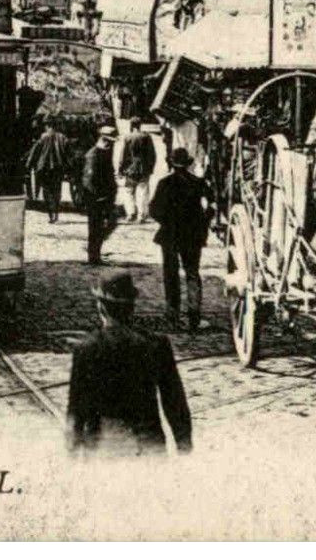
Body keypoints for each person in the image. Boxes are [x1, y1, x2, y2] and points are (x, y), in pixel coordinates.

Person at [66, 272, 193, 456]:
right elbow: (174, 402)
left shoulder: (86, 349)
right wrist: (184, 446)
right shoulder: (157, 345)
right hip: (149, 447)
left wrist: (72, 452)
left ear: (101, 308)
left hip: (103, 450)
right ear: (132, 307)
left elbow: (76, 410)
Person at [150, 148, 214, 331]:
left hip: (170, 235)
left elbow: (154, 210)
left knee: (171, 274)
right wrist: (203, 221)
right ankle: (194, 315)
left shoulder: (164, 183)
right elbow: (212, 206)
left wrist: (167, 221)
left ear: (171, 163)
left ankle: (173, 314)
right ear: (188, 164)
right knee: (192, 273)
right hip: (193, 236)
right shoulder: (198, 183)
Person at [81, 125, 119, 265]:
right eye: (109, 141)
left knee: (108, 223)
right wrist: (97, 198)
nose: (111, 144)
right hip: (97, 199)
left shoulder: (104, 153)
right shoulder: (94, 155)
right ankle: (93, 256)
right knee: (96, 227)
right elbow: (88, 179)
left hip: (105, 198)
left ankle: (95, 252)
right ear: (103, 140)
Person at [25, 119, 74, 224]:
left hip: (44, 169)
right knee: (57, 191)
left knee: (47, 192)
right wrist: (70, 168)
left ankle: (51, 215)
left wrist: (28, 165)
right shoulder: (63, 137)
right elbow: (69, 154)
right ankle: (56, 213)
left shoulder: (43, 137)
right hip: (58, 169)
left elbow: (34, 153)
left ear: (47, 126)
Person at [119, 119, 158, 223]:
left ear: (131, 125)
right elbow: (152, 154)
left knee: (128, 192)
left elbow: (123, 155)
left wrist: (120, 169)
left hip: (130, 169)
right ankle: (141, 215)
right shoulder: (146, 137)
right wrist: (151, 168)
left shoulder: (127, 137)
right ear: (140, 125)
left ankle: (130, 214)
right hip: (144, 168)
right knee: (143, 192)